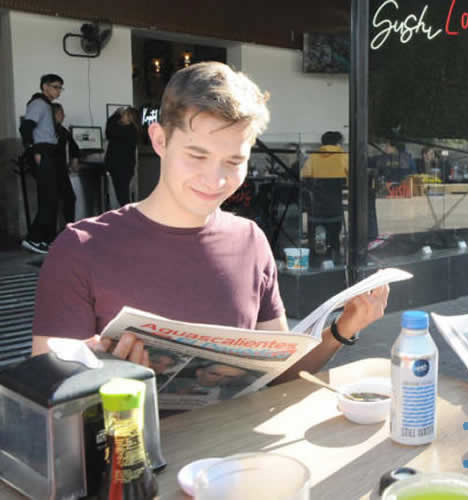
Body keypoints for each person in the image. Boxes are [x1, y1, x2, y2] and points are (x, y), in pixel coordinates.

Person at [31, 62, 389, 389]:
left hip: (234, 454)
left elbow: (279, 378)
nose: (215, 179)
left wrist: (343, 329)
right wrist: (100, 371)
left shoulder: (250, 240)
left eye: (234, 161)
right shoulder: (81, 249)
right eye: (197, 155)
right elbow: (48, 396)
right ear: (160, 140)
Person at [19, 73, 64, 254]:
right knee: (48, 198)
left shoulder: (46, 105)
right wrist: (34, 151)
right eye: (55, 87)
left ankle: (46, 239)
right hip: (42, 152)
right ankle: (34, 238)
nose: (58, 91)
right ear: (45, 86)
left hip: (48, 152)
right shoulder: (38, 103)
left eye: (60, 87)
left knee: (51, 198)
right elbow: (26, 126)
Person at [301, 131, 348, 266]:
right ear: (338, 143)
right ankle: (335, 253)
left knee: (313, 234)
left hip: (316, 209)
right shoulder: (343, 157)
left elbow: (303, 176)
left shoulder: (314, 158)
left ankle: (313, 259)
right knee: (334, 235)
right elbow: (354, 177)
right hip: (335, 209)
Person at [105, 106, 141, 206]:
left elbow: (109, 131)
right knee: (122, 195)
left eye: (124, 114)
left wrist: (115, 115)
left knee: (122, 196)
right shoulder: (131, 130)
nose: (121, 117)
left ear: (130, 118)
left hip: (121, 168)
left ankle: (129, 218)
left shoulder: (129, 130)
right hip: (122, 168)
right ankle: (128, 217)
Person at [51, 103, 80, 224]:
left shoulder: (62, 130)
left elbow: (73, 146)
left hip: (60, 170)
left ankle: (68, 227)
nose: (63, 116)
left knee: (68, 198)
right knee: (56, 202)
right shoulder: (51, 130)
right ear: (56, 114)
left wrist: (74, 158)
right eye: (61, 113)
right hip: (53, 171)